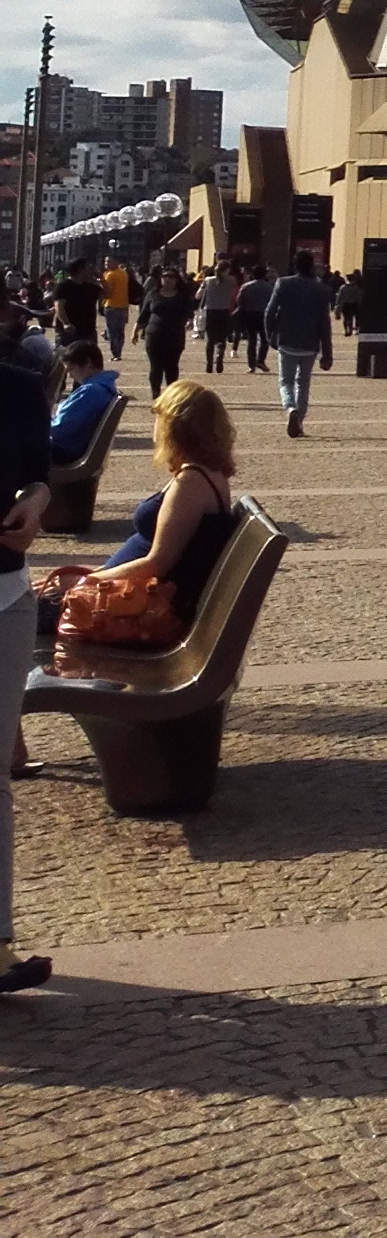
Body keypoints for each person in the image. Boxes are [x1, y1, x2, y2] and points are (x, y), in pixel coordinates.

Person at [84, 380, 239, 614]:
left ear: (173, 428)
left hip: (140, 606)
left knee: (29, 608)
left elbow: (157, 563)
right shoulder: (206, 473)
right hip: (130, 594)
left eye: (158, 417)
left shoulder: (191, 483)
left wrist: (87, 582)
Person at [0, 323, 48, 996]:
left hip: (5, 594)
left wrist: (36, 501)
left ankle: (0, 943)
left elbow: (39, 475)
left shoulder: (18, 389)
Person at [262, 251, 333, 437]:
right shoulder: (321, 289)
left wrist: (270, 335)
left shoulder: (283, 283)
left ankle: (290, 407)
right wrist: (327, 352)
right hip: (310, 343)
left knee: (286, 381)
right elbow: (325, 323)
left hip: (287, 340)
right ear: (311, 265)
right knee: (303, 383)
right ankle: (299, 420)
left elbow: (269, 312)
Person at [47, 341, 120, 464]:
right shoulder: (103, 387)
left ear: (87, 363)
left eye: (71, 369)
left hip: (65, 451)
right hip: (71, 448)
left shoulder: (91, 391)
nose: (70, 376)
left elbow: (60, 429)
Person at [138, 265, 193, 398]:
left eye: (171, 277)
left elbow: (189, 312)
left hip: (175, 335)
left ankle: (170, 395)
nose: (167, 279)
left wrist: (190, 321)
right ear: (160, 279)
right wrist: (136, 330)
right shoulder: (153, 294)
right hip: (154, 335)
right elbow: (144, 314)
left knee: (172, 367)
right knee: (155, 367)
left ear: (176, 280)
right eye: (164, 276)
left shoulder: (182, 296)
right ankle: (156, 394)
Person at [232, 263, 271, 370]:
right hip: (264, 314)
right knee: (264, 339)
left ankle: (251, 364)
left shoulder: (246, 287)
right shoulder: (270, 287)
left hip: (250, 314)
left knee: (252, 340)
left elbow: (239, 300)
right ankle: (261, 360)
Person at [197, 264, 235, 374]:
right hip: (224, 310)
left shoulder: (208, 280)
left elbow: (198, 295)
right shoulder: (231, 280)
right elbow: (233, 295)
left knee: (210, 339)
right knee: (222, 338)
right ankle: (219, 356)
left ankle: (209, 363)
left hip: (210, 311)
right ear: (227, 270)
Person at [98, 256, 132, 359]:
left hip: (111, 306)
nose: (106, 263)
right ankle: (119, 352)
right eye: (105, 261)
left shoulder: (110, 275)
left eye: (109, 261)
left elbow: (107, 291)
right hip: (124, 306)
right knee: (120, 331)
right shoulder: (124, 273)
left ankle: (115, 353)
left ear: (116, 262)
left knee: (112, 331)